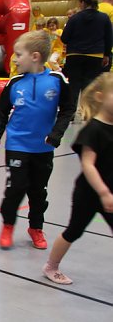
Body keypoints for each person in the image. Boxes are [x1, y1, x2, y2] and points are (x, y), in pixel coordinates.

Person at [0, 31, 74, 250]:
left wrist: (56, 134)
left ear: (35, 56)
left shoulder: (57, 81)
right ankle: (8, 225)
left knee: (38, 191)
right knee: (15, 188)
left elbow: (68, 109)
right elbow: (1, 112)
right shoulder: (15, 83)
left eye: (18, 54)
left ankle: (36, 227)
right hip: (17, 145)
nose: (15, 59)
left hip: (43, 148)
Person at [43, 73, 113, 284]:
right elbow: (88, 164)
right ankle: (51, 266)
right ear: (100, 97)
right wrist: (103, 192)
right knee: (74, 230)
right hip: (90, 193)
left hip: (109, 192)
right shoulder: (93, 130)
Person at [61, 0, 113, 110]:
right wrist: (106, 55)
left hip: (75, 55)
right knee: (89, 85)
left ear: (82, 3)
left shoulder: (74, 18)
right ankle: (86, 111)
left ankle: (71, 112)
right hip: (95, 55)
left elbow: (64, 38)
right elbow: (109, 38)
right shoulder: (104, 18)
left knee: (74, 84)